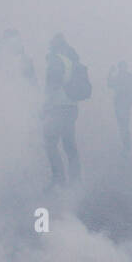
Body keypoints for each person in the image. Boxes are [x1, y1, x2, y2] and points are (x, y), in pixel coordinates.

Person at [42, 33, 86, 188]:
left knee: (50, 143)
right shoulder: (71, 60)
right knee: (69, 145)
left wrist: (44, 106)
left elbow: (53, 85)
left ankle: (58, 181)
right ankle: (76, 180)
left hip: (58, 107)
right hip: (71, 107)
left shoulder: (56, 60)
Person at [107, 60, 132, 158]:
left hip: (123, 103)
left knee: (123, 124)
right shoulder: (128, 76)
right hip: (122, 103)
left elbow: (110, 84)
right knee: (123, 124)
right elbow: (110, 85)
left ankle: (126, 144)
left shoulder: (122, 77)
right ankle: (126, 144)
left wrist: (110, 73)